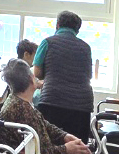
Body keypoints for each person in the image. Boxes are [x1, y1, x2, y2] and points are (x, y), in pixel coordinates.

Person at [32, 11, 94, 141]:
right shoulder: (86, 47)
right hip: (82, 104)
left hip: (53, 100)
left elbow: (37, 73)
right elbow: (88, 75)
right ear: (77, 30)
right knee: (77, 145)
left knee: (49, 143)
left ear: (57, 25)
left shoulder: (47, 42)